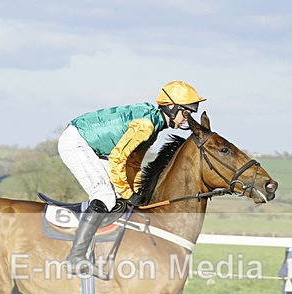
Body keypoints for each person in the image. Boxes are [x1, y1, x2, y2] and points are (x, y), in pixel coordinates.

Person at [57, 81, 206, 276]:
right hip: (77, 142)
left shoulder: (153, 127)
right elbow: (118, 157)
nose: (185, 119)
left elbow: (133, 163)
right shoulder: (146, 125)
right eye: (185, 113)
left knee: (119, 197)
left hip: (94, 148)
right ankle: (75, 257)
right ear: (171, 107)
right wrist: (127, 193)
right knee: (105, 195)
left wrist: (135, 192)